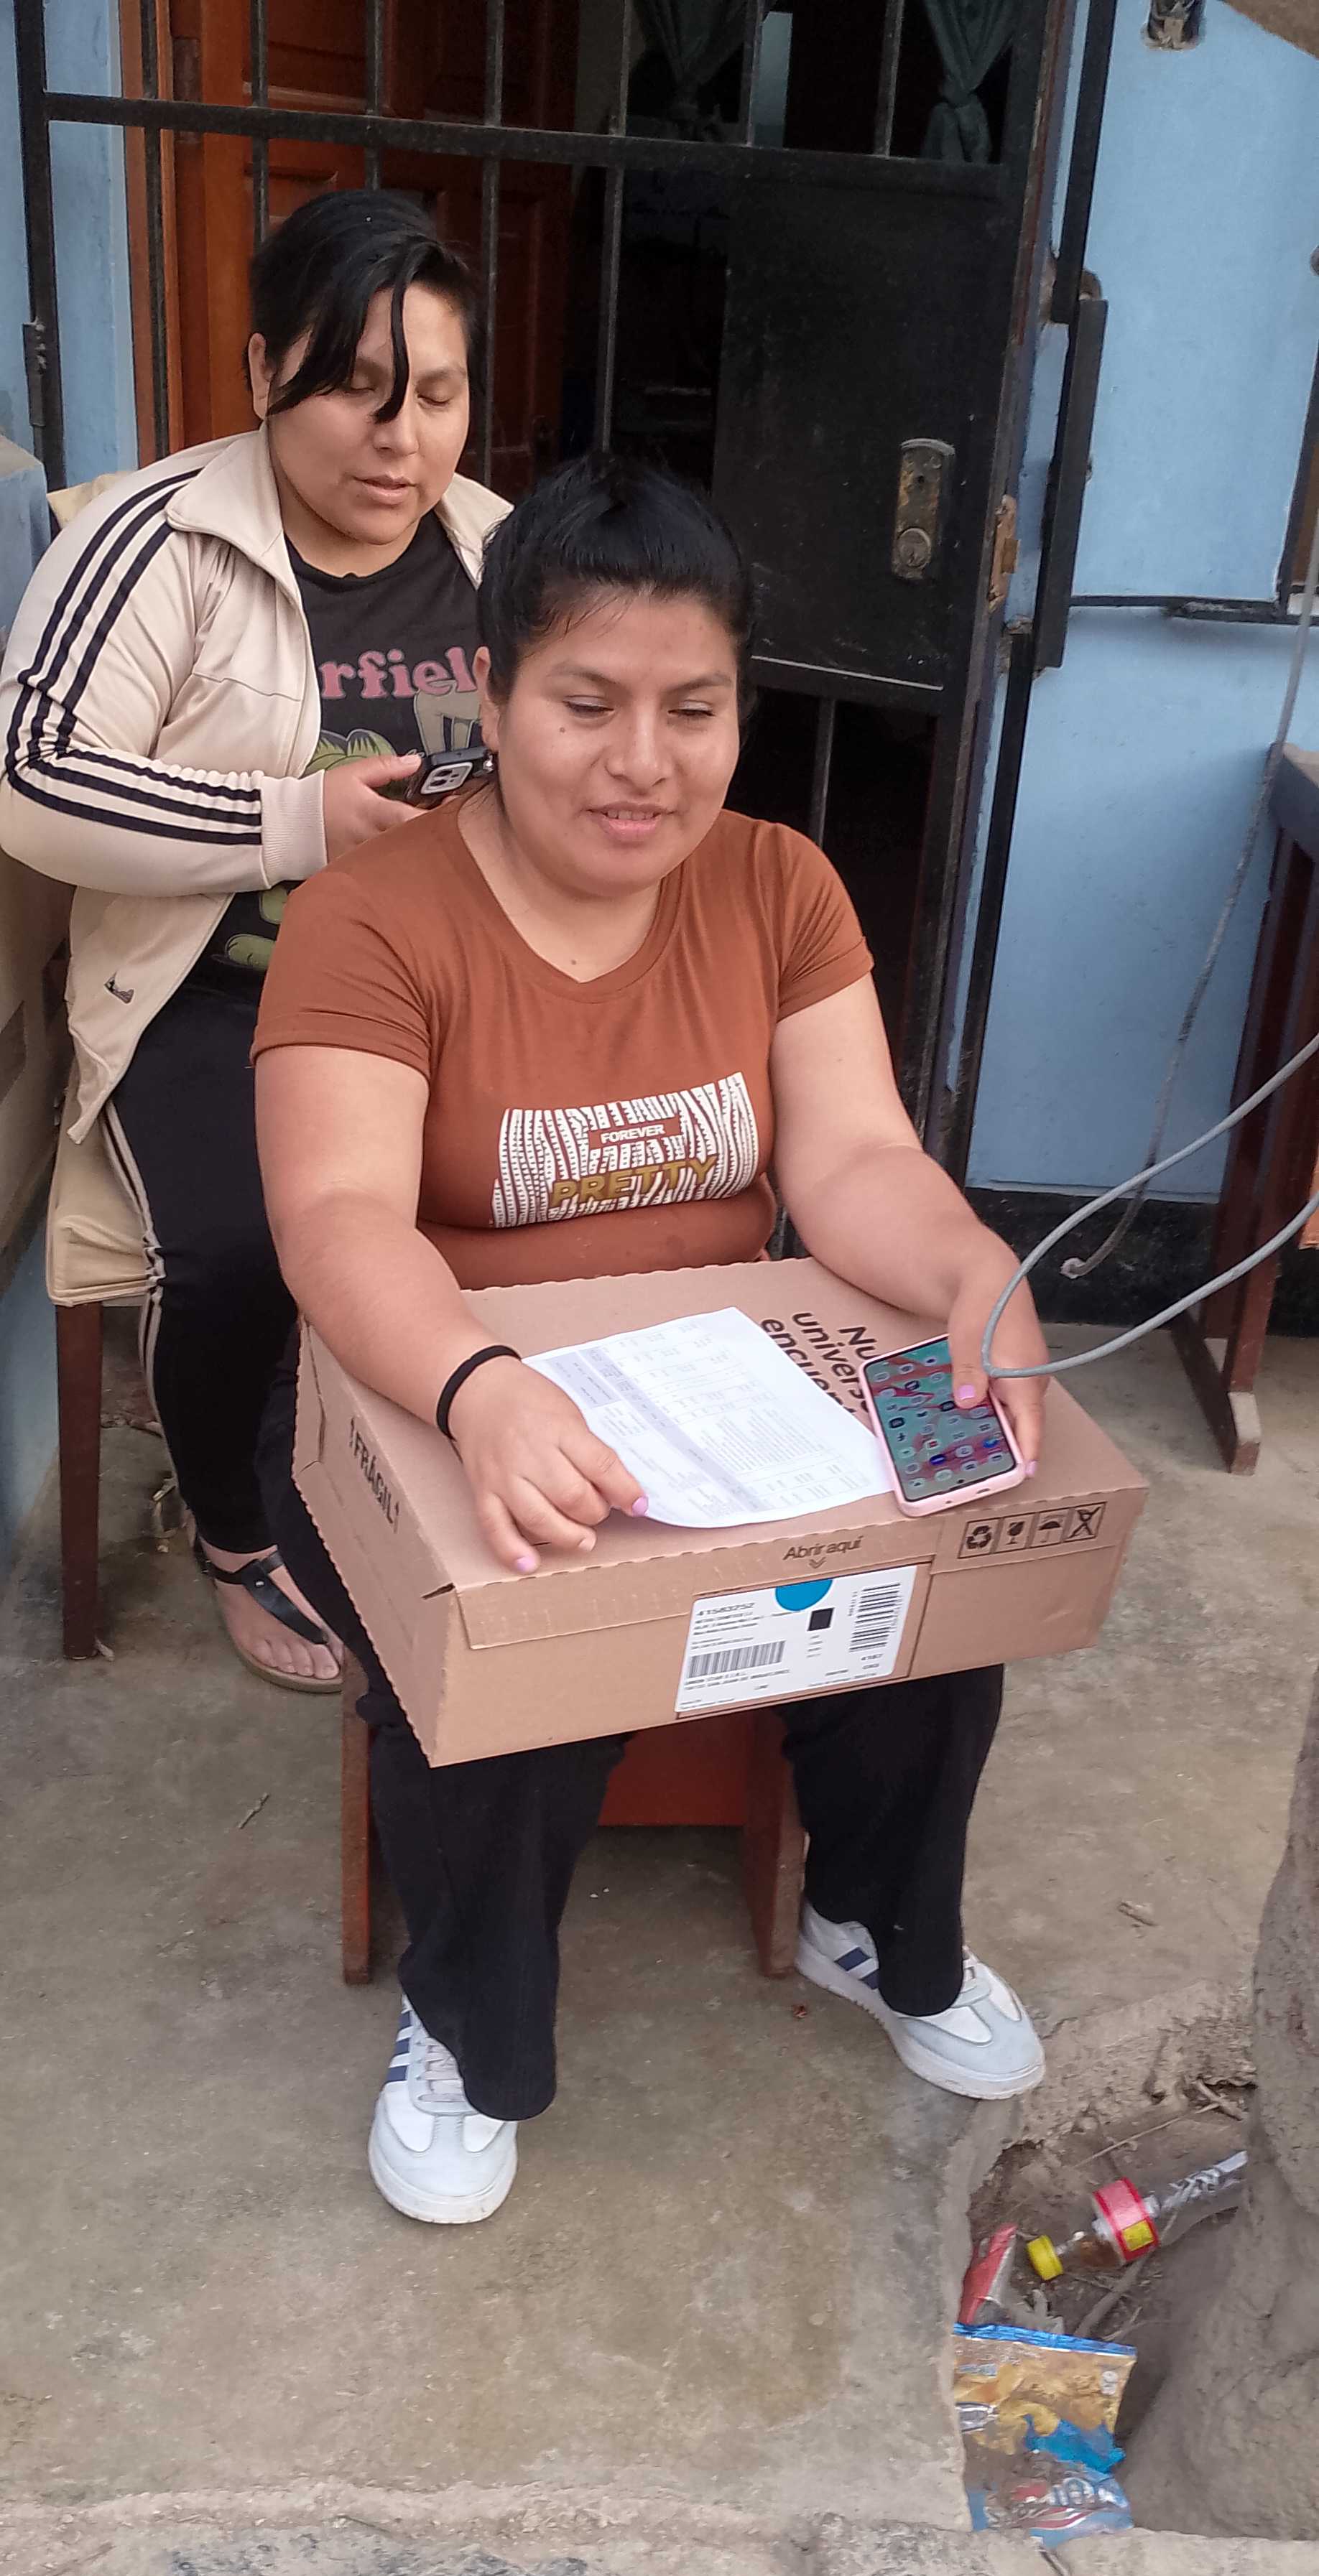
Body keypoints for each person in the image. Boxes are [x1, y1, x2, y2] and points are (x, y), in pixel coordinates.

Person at [253, 454, 1050, 2227]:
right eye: (588, 703)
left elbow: (852, 1162)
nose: (644, 762)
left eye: (694, 709)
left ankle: (872, 1920)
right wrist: (480, 1388)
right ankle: (466, 2023)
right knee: (516, 1648)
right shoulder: (373, 920)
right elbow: (340, 1222)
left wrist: (970, 1271)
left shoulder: (778, 887)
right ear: (491, 695)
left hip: (726, 1381)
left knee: (952, 1534)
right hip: (426, 1380)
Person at [0, 191, 506, 1689]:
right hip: (217, 998)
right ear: (262, 368)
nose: (401, 442)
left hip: (446, 992)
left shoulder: (501, 549)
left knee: (563, 1199)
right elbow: (32, 778)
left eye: (436, 396)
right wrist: (298, 824)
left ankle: (478, 1470)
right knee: (239, 1246)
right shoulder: (156, 544)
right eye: (356, 389)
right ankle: (236, 1529)